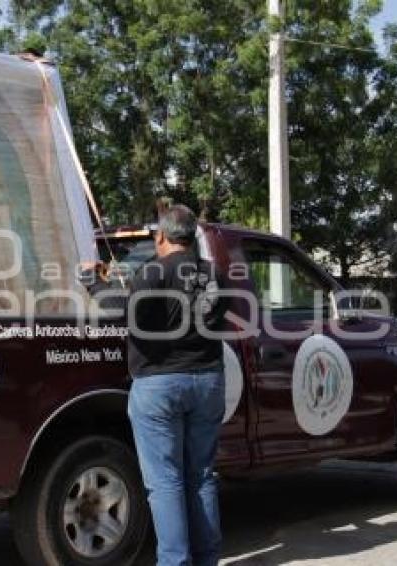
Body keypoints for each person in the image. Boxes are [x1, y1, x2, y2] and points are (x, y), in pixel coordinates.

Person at [83, 204, 227, 565]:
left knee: (165, 483)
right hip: (208, 380)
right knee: (203, 477)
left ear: (160, 236)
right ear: (191, 237)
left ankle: (175, 562)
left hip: (159, 385)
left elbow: (122, 312)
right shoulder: (215, 274)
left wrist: (94, 282)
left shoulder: (153, 272)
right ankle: (207, 559)